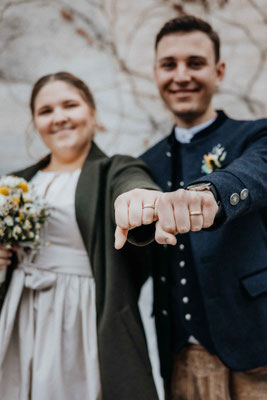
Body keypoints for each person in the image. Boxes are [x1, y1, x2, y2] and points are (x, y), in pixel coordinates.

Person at [0, 71, 162, 400]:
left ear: (92, 111)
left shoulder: (114, 169)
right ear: (35, 121)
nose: (59, 117)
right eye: (46, 111)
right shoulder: (14, 183)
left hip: (80, 315)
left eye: (70, 105)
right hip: (17, 311)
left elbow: (133, 184)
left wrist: (141, 199)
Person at [132, 15, 267, 400]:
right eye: (169, 64)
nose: (181, 75)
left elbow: (256, 173)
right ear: (156, 73)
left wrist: (211, 194)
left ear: (218, 71)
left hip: (257, 348)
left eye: (195, 63)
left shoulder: (255, 135)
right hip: (182, 361)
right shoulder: (145, 164)